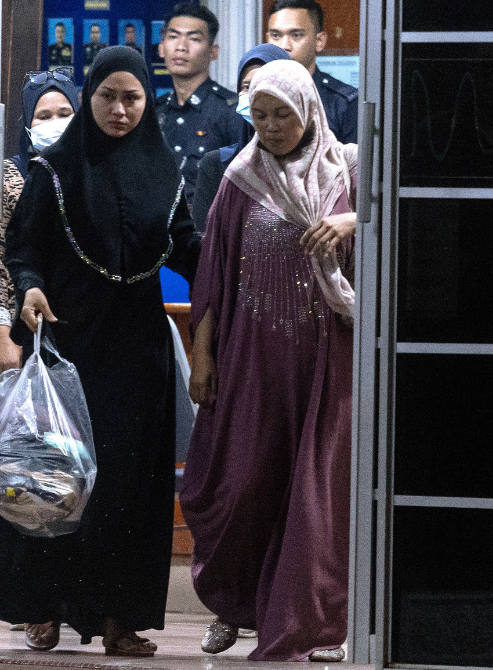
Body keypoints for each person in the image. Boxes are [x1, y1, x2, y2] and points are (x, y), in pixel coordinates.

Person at [0, 46, 201, 657]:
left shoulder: (165, 170)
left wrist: (238, 264)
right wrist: (30, 287)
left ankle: (119, 619)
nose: (119, 109)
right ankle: (44, 608)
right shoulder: (55, 168)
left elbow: (186, 244)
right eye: (107, 97)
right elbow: (23, 247)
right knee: (56, 478)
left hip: (138, 351)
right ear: (89, 97)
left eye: (132, 98)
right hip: (68, 343)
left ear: (147, 101)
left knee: (128, 487)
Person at [181, 59, 357, 662]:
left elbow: (395, 221)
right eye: (260, 114)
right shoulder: (238, 179)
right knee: (241, 485)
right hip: (253, 359)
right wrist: (202, 356)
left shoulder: (350, 169)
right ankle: (237, 607)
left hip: (326, 360)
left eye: (283, 113)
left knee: (315, 495)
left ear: (308, 108)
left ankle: (320, 624)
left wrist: (351, 219)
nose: (273, 126)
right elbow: (213, 276)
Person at [0, 71, 80, 375]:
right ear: (28, 124)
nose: (55, 123)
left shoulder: (91, 172)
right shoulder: (6, 177)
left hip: (80, 321)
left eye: (64, 114)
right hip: (23, 327)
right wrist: (2, 332)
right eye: (43, 116)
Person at [192, 43, 291, 232]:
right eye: (246, 86)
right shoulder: (217, 164)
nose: (254, 94)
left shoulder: (312, 166)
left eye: (266, 85)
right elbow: (205, 241)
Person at [155, 3, 244, 208]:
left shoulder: (232, 111)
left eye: (194, 39)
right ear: (161, 48)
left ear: (214, 52)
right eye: (173, 36)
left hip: (210, 232)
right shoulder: (154, 112)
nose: (181, 46)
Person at [267, 0, 358, 143]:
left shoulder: (343, 103)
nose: (284, 46)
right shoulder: (258, 96)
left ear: (319, 41)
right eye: (276, 36)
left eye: (296, 35)